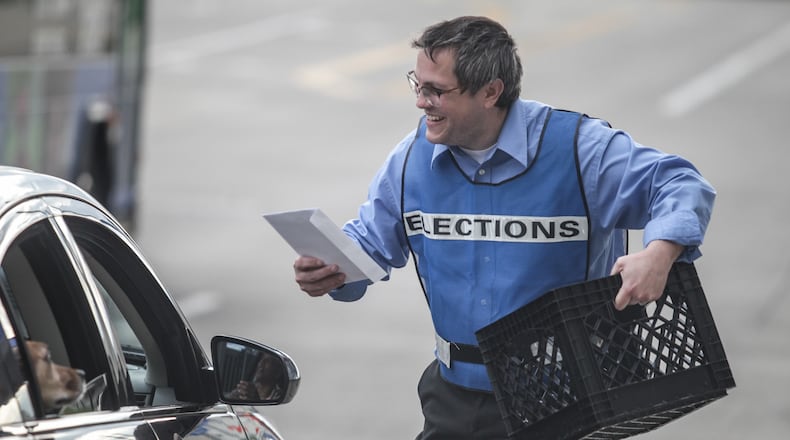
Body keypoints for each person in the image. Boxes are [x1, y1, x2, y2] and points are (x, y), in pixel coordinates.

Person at [292, 16, 715, 440]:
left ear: (491, 91)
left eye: (436, 90)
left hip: (567, 396)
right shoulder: (410, 160)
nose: (421, 102)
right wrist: (333, 271)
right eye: (417, 85)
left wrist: (659, 253)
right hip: (454, 399)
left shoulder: (578, 149)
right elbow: (368, 245)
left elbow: (679, 183)